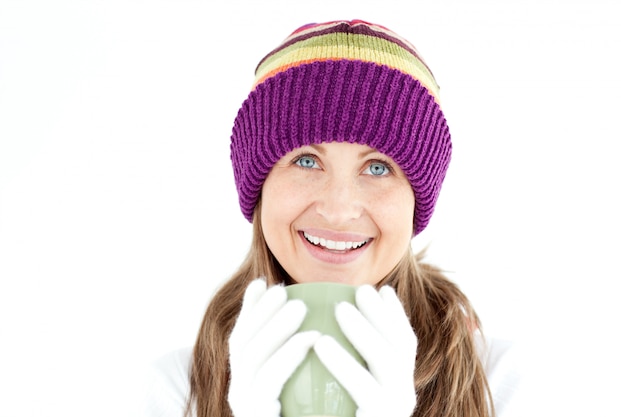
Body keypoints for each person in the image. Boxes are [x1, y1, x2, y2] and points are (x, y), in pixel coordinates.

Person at [144, 19, 521, 417]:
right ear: (258, 187)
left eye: (378, 168)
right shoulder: (176, 390)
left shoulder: (498, 381)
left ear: (416, 201)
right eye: (306, 161)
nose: (339, 210)